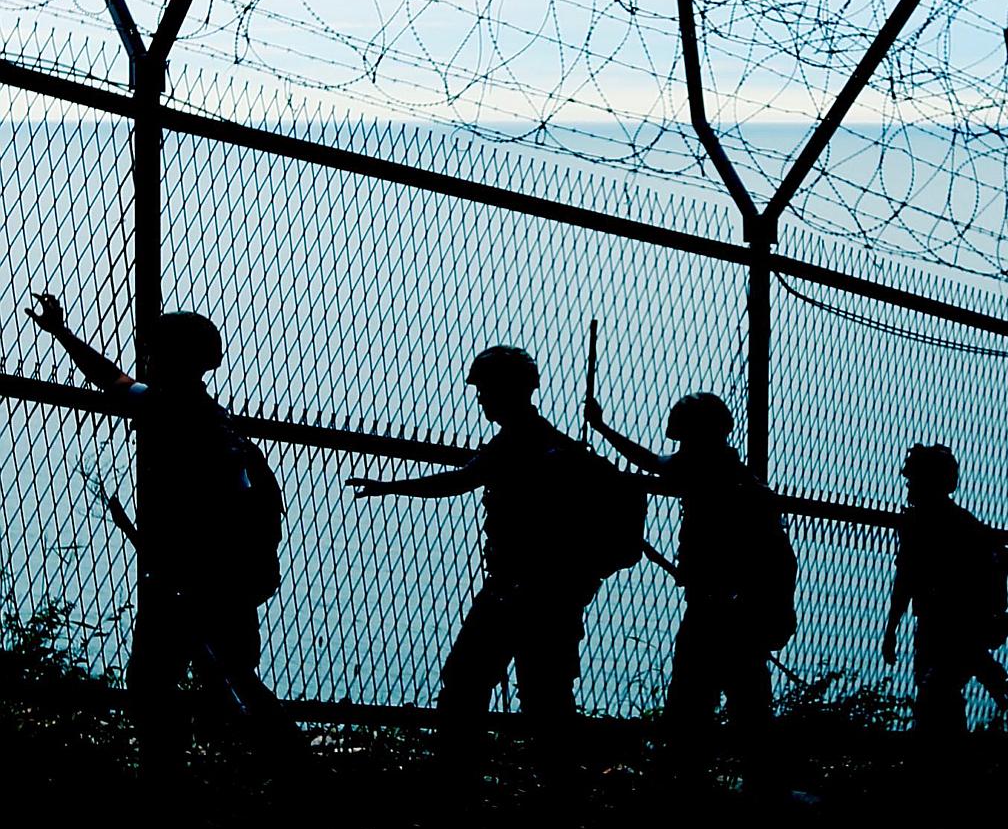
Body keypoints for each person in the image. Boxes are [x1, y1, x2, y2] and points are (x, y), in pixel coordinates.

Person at [25, 292, 287, 778]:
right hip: (222, 575)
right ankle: (286, 769)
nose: (145, 358)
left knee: (157, 683)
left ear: (170, 358)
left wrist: (61, 333)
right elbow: (119, 382)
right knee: (228, 677)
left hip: (192, 577)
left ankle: (171, 779)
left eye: (153, 350)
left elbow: (114, 382)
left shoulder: (172, 410)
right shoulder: (208, 415)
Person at [348, 346, 600, 779]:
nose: (480, 398)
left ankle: (457, 779)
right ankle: (560, 788)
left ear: (504, 390)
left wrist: (391, 487)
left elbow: (461, 479)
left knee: (467, 680)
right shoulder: (554, 444)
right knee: (546, 693)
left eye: (485, 389)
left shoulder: (517, 443)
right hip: (557, 591)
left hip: (514, 589)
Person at [585, 392, 793, 786]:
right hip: (728, 607)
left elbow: (656, 466)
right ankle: (748, 782)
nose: (680, 450)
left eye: (686, 440)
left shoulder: (722, 482)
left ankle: (690, 780)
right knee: (740, 698)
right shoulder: (731, 478)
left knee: (698, 697)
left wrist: (602, 431)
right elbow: (657, 465)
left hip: (721, 609)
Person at [881, 444, 1008, 736]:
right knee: (941, 696)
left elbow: (906, 580)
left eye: (913, 479)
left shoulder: (922, 525)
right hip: (955, 628)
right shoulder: (967, 525)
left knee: (935, 696)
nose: (908, 485)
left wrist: (891, 629)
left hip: (943, 626)